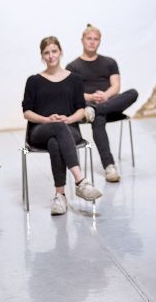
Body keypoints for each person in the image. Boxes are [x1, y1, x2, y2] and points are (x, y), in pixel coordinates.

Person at [22, 36, 102, 215]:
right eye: (46, 53)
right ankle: (81, 181)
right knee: (57, 128)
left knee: (55, 141)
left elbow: (81, 110)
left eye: (54, 51)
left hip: (69, 128)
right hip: (39, 130)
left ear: (60, 52)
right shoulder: (33, 80)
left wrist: (68, 120)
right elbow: (27, 112)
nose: (51, 56)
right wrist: (47, 120)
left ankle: (60, 196)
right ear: (42, 56)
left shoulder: (74, 79)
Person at [66, 24, 138, 182]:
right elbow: (72, 94)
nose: (92, 42)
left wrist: (105, 96)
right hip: (86, 105)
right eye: (89, 38)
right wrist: (91, 97)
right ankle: (109, 166)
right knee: (98, 119)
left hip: (109, 104)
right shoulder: (72, 67)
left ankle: (96, 109)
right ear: (82, 40)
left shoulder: (110, 62)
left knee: (133, 93)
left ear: (100, 41)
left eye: (96, 39)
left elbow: (116, 87)